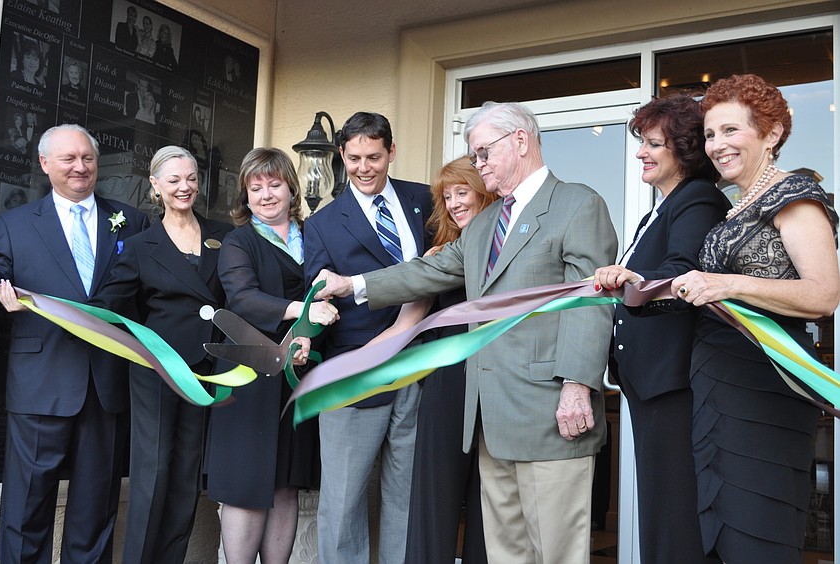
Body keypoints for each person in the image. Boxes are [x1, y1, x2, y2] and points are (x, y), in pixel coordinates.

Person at [316, 101, 618, 563]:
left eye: (483, 153)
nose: (478, 165)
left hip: (549, 415)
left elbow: (589, 300)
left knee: (555, 553)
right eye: (474, 155)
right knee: (505, 554)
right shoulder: (486, 225)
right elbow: (427, 272)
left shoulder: (577, 204)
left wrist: (578, 384)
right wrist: (352, 284)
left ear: (520, 141)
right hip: (490, 423)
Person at [670, 74, 840, 563]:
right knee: (717, 528)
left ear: (772, 133)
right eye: (710, 134)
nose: (716, 145)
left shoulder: (795, 196)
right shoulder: (734, 207)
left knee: (757, 527)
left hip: (766, 389)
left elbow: (824, 294)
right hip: (716, 385)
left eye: (730, 131)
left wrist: (728, 283)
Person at [0, 124, 148, 563]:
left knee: (96, 511)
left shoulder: (130, 221)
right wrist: (2, 293)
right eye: (68, 159)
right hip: (40, 383)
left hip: (106, 385)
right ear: (45, 164)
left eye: (88, 159)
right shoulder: (15, 223)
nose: (80, 167)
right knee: (26, 509)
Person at [592, 95, 729, 564]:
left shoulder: (697, 198)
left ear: (684, 150)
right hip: (649, 383)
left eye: (653, 144)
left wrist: (634, 281)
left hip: (675, 384)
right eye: (642, 142)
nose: (640, 153)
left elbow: (682, 273)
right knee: (659, 507)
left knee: (674, 514)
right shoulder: (663, 207)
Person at [302, 111, 433, 563]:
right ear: (341, 155)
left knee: (408, 497)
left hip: (422, 366)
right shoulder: (321, 223)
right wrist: (305, 338)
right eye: (354, 157)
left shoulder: (425, 200)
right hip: (353, 374)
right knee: (342, 503)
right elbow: (316, 298)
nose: (364, 167)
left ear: (391, 152)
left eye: (374, 157)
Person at [92, 146, 233, 564]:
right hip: (157, 372)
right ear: (156, 185)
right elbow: (108, 305)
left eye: (190, 178)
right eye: (173, 180)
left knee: (187, 475)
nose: (184, 187)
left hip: (206, 373)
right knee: (152, 474)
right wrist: (50, 306)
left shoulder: (224, 235)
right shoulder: (139, 245)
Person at [207, 148, 339, 563]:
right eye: (255, 186)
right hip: (249, 379)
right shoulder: (238, 241)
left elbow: (328, 296)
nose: (266, 194)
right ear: (245, 194)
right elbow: (243, 299)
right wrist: (303, 310)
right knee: (248, 484)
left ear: (291, 188)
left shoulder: (314, 234)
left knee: (285, 482)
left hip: (297, 377)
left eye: (275, 184)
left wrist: (308, 339)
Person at [387, 156, 495, 563]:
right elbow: (405, 325)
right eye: (446, 197)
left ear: (483, 191)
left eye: (461, 192)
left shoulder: (509, 249)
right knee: (434, 499)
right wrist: (356, 364)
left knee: (490, 502)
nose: (453, 204)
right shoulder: (439, 253)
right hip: (446, 385)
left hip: (496, 384)